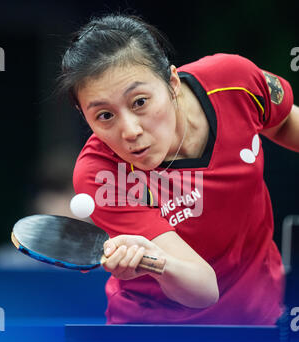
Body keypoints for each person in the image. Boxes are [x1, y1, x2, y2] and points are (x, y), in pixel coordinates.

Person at [58, 13, 299, 325]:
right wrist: (156, 261)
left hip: (260, 321)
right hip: (157, 340)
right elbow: (203, 289)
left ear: (172, 82)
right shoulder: (101, 174)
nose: (129, 130)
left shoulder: (233, 83)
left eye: (139, 102)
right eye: (105, 116)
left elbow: (283, 124)